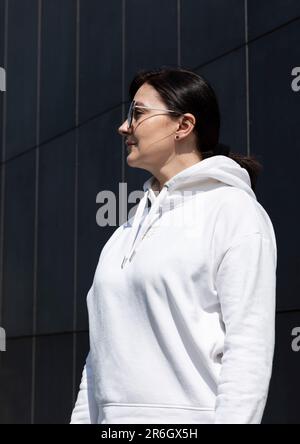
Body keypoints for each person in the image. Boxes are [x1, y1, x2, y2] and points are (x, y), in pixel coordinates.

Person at [70, 67, 277, 424]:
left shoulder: (234, 212)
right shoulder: (125, 231)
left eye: (137, 113)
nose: (124, 127)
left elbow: (248, 351)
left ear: (183, 126)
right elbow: (99, 358)